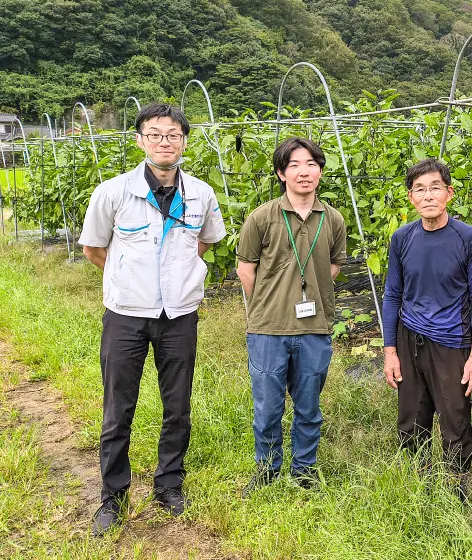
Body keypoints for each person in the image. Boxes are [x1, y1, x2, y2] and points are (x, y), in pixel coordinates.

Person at [79, 103, 227, 536]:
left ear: (184, 141)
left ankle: (169, 485)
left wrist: (177, 279)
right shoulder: (113, 192)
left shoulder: (201, 193)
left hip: (179, 316)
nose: (166, 142)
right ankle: (113, 497)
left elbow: (204, 242)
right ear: (140, 140)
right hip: (125, 315)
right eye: (156, 134)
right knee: (118, 408)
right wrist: (130, 282)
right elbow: (94, 250)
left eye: (174, 135)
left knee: (177, 406)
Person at [236, 137, 347, 494]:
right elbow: (245, 269)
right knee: (267, 408)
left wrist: (307, 293)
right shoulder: (262, 217)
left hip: (314, 328)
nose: (304, 171)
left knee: (309, 407)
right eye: (295, 165)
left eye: (312, 164)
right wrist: (270, 304)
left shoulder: (332, 218)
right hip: (268, 330)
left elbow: (332, 266)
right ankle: (267, 470)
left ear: (320, 172)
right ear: (282, 173)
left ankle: (304, 471)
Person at [382, 158, 472, 497]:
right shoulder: (402, 239)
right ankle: (420, 484)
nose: (428, 196)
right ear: (411, 197)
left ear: (449, 193)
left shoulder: (468, 238)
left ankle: (456, 490)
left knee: (455, 417)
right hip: (410, 337)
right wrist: (390, 351)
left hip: (451, 341)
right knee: (412, 417)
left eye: (435, 188)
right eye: (419, 190)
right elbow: (392, 295)